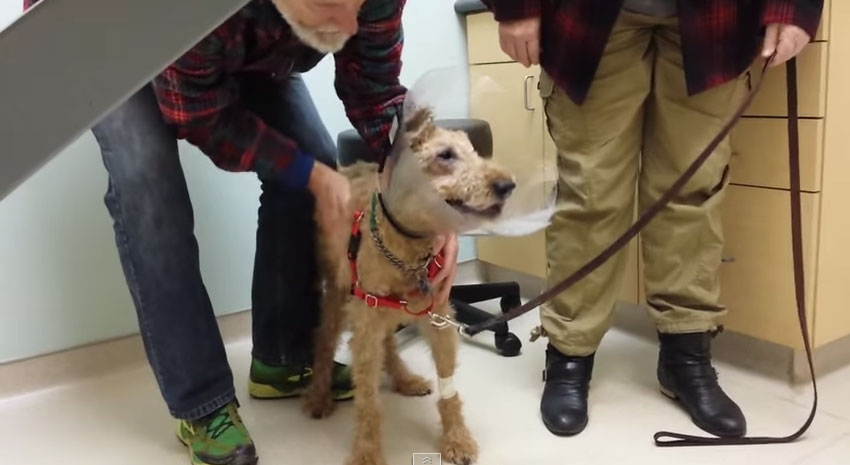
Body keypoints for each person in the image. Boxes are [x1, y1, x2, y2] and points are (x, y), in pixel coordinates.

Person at [22, 0, 459, 464]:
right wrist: (307, 174)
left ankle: (282, 358)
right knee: (148, 185)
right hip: (110, 33)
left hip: (232, 43)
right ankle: (201, 402)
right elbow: (199, 116)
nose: (351, 23)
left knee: (312, 154)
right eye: (327, 2)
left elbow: (375, 92)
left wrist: (436, 203)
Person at [484, 0, 822, 437]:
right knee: (590, 196)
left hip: (717, 19)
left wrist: (794, 7)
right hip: (586, 17)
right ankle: (569, 355)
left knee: (692, 193)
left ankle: (686, 358)